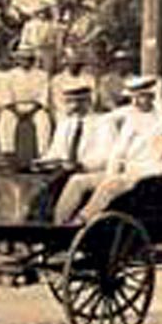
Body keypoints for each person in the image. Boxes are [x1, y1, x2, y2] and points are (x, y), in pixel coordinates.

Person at [54, 75, 162, 225]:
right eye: (132, 98)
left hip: (148, 172)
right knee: (77, 180)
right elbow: (104, 121)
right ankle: (58, 224)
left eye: (140, 97)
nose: (135, 102)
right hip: (125, 171)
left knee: (110, 184)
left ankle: (82, 220)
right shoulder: (131, 115)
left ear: (152, 97)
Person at [25, 81, 115, 222]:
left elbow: (107, 155)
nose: (74, 106)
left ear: (88, 101)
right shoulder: (65, 123)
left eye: (79, 102)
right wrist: (41, 162)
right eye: (70, 102)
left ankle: (58, 223)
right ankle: (35, 221)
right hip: (65, 170)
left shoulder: (103, 122)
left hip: (91, 171)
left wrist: (82, 165)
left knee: (68, 181)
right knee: (39, 183)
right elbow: (56, 151)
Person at [0, 48, 54, 170]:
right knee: (5, 120)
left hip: (35, 107)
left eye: (29, 59)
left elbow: (43, 97)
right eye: (22, 59)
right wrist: (16, 111)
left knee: (44, 121)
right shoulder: (10, 75)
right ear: (18, 60)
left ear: (33, 60)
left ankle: (43, 155)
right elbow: (6, 97)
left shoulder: (42, 75)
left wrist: (32, 110)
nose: (26, 61)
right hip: (14, 107)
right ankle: (9, 155)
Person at [50, 47, 97, 119]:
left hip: (85, 110)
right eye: (72, 62)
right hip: (66, 111)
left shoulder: (89, 78)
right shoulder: (58, 79)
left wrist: (86, 107)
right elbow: (57, 100)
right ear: (67, 63)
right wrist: (69, 109)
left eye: (78, 63)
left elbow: (93, 96)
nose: (75, 65)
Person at [17, 3, 63, 74]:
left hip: (47, 52)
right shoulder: (29, 25)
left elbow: (58, 44)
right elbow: (23, 42)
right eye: (40, 12)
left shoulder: (55, 27)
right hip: (32, 51)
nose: (42, 15)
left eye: (44, 12)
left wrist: (57, 55)